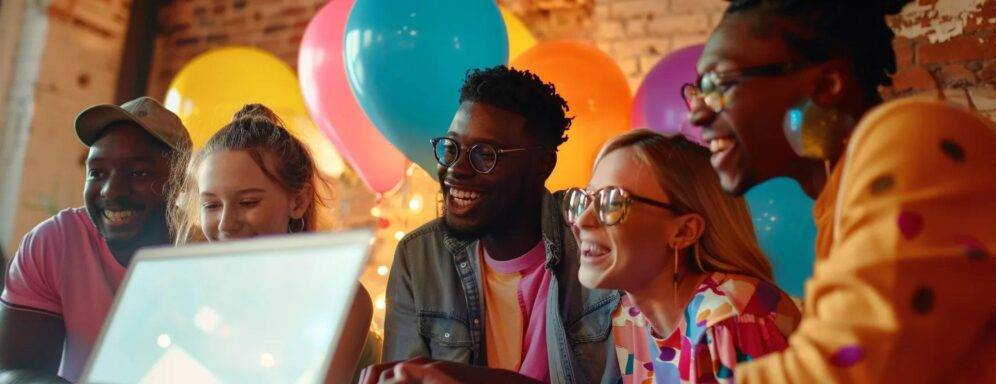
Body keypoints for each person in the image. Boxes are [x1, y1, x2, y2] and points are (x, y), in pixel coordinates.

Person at [686, 0, 996, 381]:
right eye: (698, 90)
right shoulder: (836, 204)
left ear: (826, 85)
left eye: (719, 84)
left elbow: (847, 371)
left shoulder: (910, 138)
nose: (697, 113)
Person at [370, 65, 621, 383]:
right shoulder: (419, 257)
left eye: (484, 155)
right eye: (451, 148)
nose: (456, 169)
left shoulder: (592, 242)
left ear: (543, 164)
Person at [566, 130, 801, 383]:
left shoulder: (730, 319)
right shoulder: (630, 317)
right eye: (585, 200)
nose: (581, 221)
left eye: (612, 203)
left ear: (684, 231)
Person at [169, 104, 376, 383]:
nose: (226, 224)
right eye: (211, 205)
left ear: (298, 201)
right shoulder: (191, 292)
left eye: (248, 202)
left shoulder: (340, 298)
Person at [0, 97, 191, 383]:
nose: (111, 192)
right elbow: (15, 373)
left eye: (138, 173)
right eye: (97, 173)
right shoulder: (55, 242)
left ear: (179, 183)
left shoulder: (203, 255)